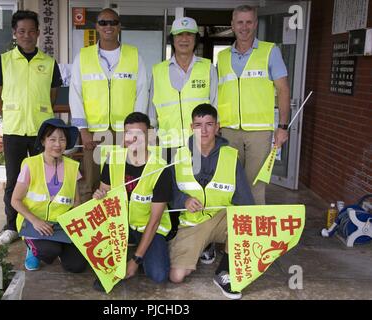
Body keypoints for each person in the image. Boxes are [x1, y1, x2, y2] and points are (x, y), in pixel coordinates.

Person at [0, 10, 63, 245]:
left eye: (32, 31)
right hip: (14, 131)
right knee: (14, 181)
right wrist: (10, 115)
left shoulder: (50, 63)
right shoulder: (2, 61)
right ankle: (11, 226)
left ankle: (41, 221)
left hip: (42, 134)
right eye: (22, 31)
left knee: (44, 179)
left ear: (39, 33)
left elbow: (52, 97)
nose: (27, 35)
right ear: (14, 34)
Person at [169, 104, 254, 300]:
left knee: (242, 223)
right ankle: (205, 246)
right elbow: (171, 192)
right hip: (193, 222)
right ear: (191, 127)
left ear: (218, 127)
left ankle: (224, 272)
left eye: (209, 124)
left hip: (222, 218)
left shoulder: (231, 156)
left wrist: (249, 228)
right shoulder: (179, 155)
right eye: (198, 125)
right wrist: (184, 199)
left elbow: (245, 200)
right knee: (176, 276)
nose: (204, 130)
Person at [70, 8, 148, 202]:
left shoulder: (134, 55)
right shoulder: (83, 57)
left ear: (119, 26)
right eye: (103, 22)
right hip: (95, 134)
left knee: (125, 179)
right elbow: (75, 94)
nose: (108, 26)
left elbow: (142, 92)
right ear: (96, 26)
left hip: (125, 133)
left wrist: (136, 132)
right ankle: (90, 228)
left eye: (113, 22)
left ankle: (119, 225)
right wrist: (83, 129)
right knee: (91, 183)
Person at [217, 5, 291, 205]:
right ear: (232, 25)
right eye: (240, 22)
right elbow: (217, 93)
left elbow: (283, 89)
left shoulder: (270, 51)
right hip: (229, 130)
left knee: (255, 186)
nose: (244, 27)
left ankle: (253, 233)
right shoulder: (222, 57)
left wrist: (282, 127)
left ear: (256, 24)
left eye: (249, 22)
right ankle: (229, 231)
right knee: (228, 183)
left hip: (259, 132)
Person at [93, 112, 172, 286]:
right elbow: (103, 192)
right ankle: (127, 251)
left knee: (158, 275)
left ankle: (138, 252)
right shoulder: (113, 159)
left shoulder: (160, 168)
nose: (133, 139)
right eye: (129, 134)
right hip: (118, 226)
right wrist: (98, 195)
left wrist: (135, 261)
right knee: (99, 266)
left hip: (148, 228)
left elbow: (155, 220)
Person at [11, 118, 87, 273]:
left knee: (77, 266)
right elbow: (15, 200)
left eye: (62, 139)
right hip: (33, 223)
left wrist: (77, 230)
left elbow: (76, 203)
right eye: (52, 139)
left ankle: (58, 244)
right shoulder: (30, 165)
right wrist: (36, 221)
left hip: (60, 226)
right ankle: (32, 247)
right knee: (49, 251)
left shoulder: (72, 167)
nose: (58, 144)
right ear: (43, 141)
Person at [149, 17, 218, 160]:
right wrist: (152, 139)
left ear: (196, 39)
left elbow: (215, 104)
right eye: (179, 34)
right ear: (172, 39)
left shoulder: (208, 68)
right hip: (168, 145)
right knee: (169, 182)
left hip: (200, 143)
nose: (184, 39)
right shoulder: (158, 70)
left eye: (189, 34)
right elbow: (151, 111)